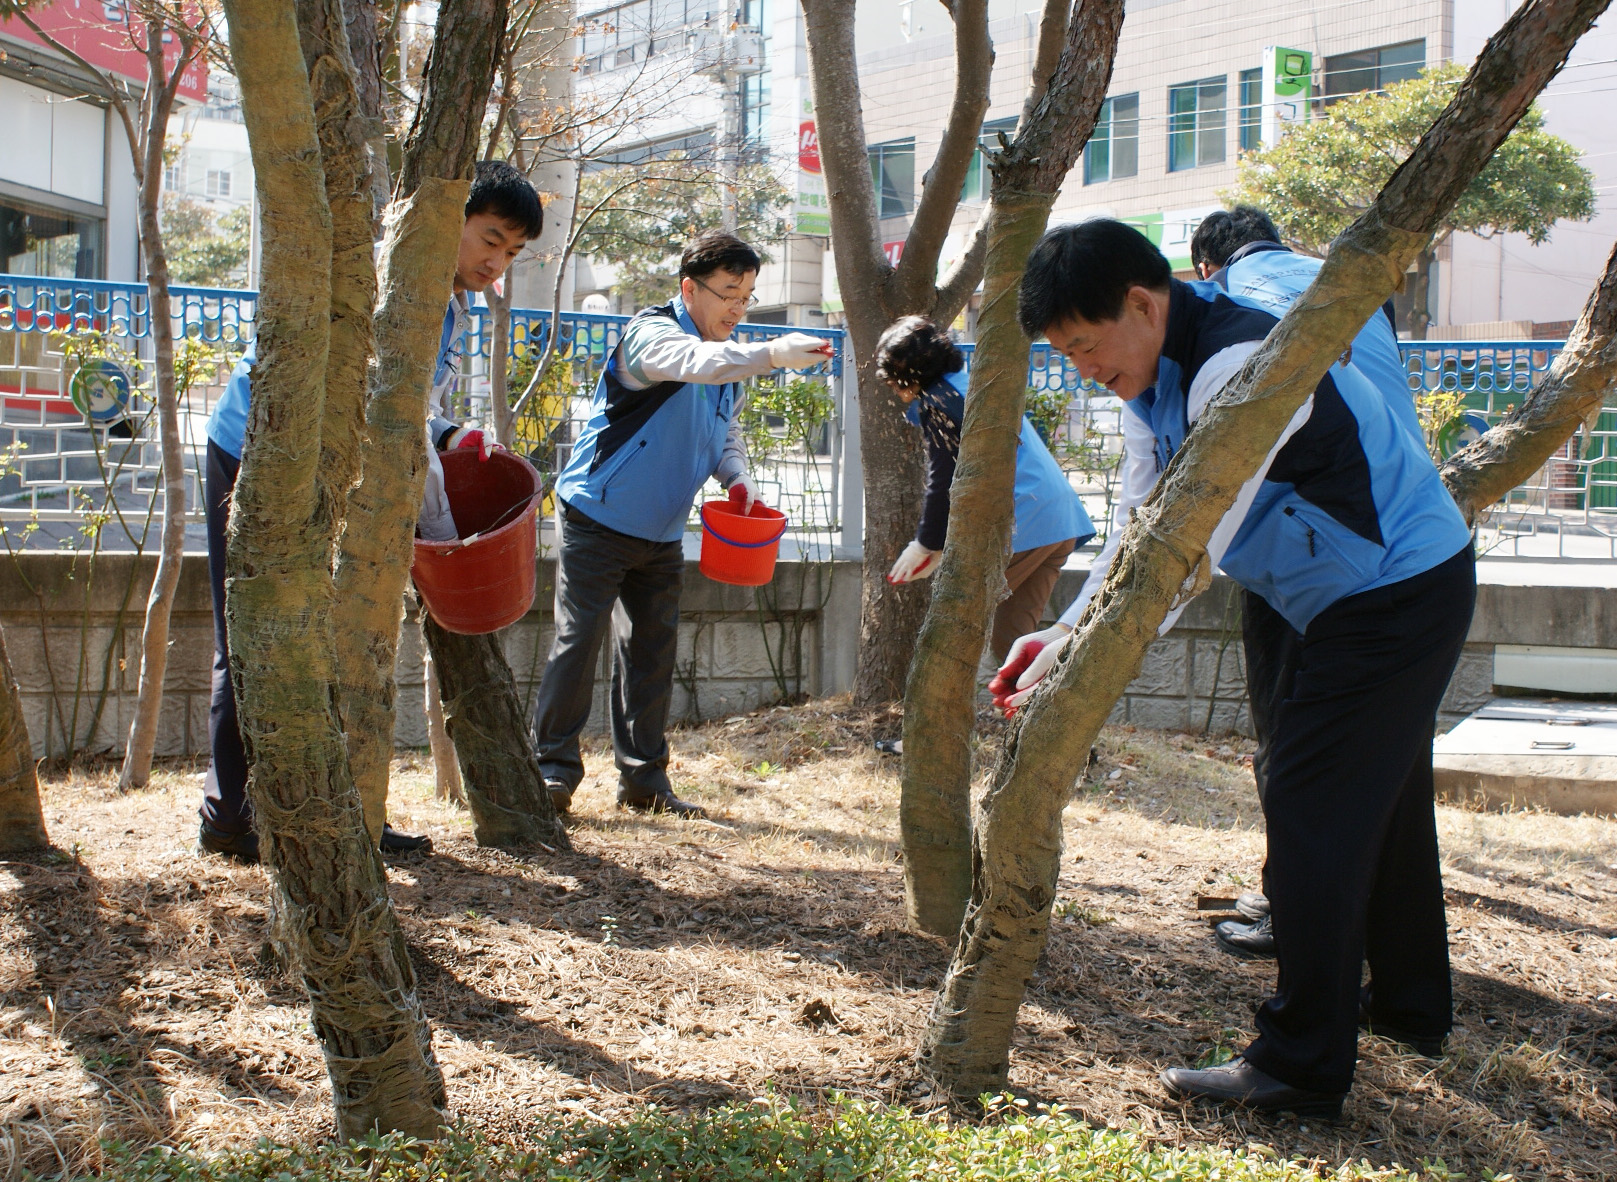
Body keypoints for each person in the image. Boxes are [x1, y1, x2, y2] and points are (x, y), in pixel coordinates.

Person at [999, 219, 1474, 1118]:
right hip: (1345, 593)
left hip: (1393, 591)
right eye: (1064, 354)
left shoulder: (1236, 366)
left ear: (1143, 303)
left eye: (1086, 346)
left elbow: (1184, 551)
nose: (1082, 370)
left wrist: (1078, 658)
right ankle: (1409, 1010)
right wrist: (1062, 626)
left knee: (1306, 805)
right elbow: (1144, 513)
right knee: (1376, 803)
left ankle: (1299, 1063)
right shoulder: (1155, 375)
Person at [197, 160, 544, 863]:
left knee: (341, 640)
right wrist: (441, 523)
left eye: (511, 252)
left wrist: (452, 435)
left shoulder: (447, 303)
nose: (496, 261)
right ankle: (229, 819)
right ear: (447, 222)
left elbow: (415, 407)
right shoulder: (387, 283)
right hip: (258, 450)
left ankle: (346, 811)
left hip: (336, 468)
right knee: (254, 637)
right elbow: (377, 399)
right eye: (490, 238)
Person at [1187, 206, 1424, 961]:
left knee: (1290, 755)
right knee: (1387, 767)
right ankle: (1397, 974)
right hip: (1412, 532)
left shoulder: (1236, 299)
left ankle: (1293, 916)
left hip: (1324, 549)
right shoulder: (1341, 280)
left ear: (1202, 270)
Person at [531, 231, 832, 818]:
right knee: (578, 641)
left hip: (663, 528)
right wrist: (770, 354)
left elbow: (725, 430)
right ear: (690, 289)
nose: (738, 309)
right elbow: (693, 365)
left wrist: (737, 477)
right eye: (728, 294)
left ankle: (645, 782)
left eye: (746, 296)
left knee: (651, 653)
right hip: (598, 513)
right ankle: (553, 773)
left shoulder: (730, 357)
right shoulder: (651, 335)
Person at [873, 315, 1094, 662]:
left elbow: (944, 479)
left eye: (893, 381)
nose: (898, 394)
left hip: (1024, 521)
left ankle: (945, 714)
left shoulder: (939, 400)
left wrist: (926, 545)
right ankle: (1028, 711)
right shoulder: (969, 384)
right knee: (1014, 642)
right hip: (1059, 519)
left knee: (955, 620)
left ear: (907, 373)